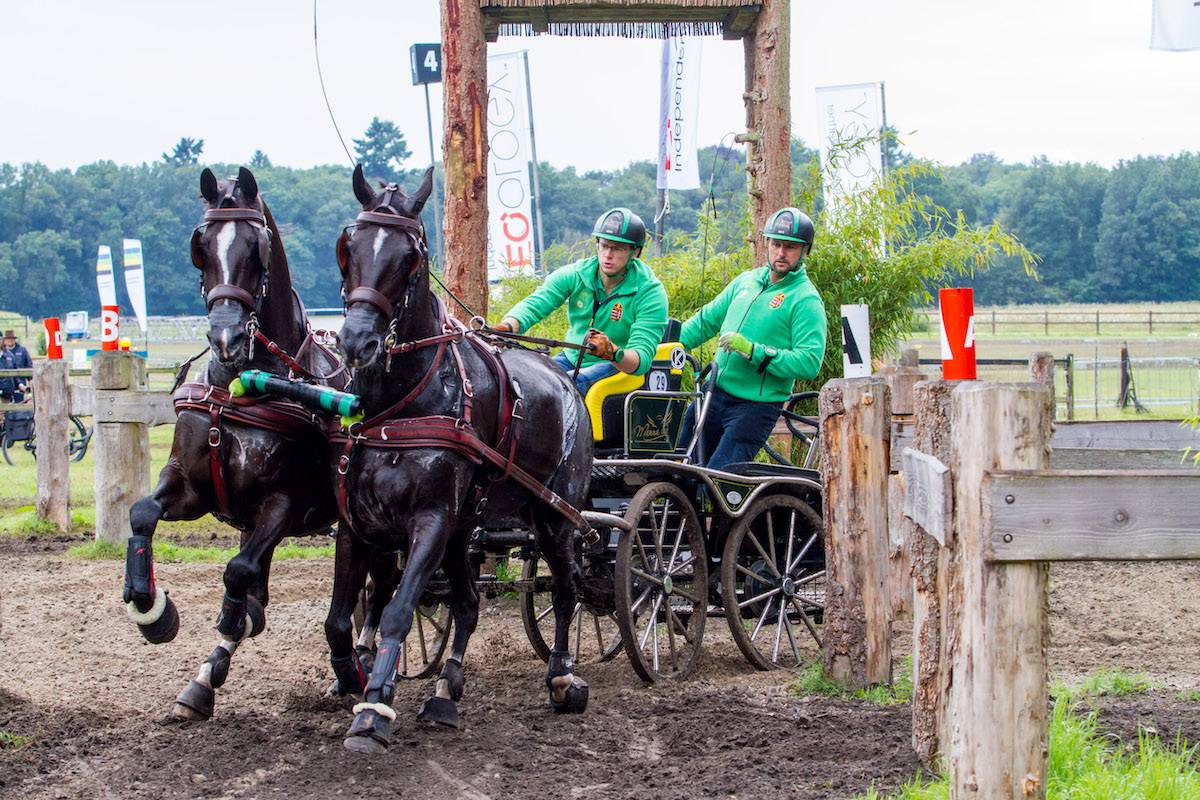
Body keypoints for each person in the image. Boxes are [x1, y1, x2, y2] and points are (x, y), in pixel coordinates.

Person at [678, 208, 827, 471]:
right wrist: (665, 346)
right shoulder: (746, 281)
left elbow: (809, 362)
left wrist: (755, 352)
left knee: (717, 480)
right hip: (714, 393)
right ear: (767, 244)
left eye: (790, 247)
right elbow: (705, 322)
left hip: (755, 408)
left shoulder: (805, 299)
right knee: (679, 466)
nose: (781, 253)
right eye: (776, 244)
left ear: (806, 251)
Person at [494, 208, 669, 395]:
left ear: (635, 252)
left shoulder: (651, 293)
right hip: (571, 359)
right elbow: (537, 303)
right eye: (604, 245)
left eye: (618, 248)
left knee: (559, 389)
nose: (608, 254)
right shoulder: (576, 274)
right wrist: (509, 326)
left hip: (619, 369)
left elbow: (640, 361)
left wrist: (612, 351)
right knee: (523, 382)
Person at [0, 330, 32, 403]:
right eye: (8, 338)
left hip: (11, 389)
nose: (10, 340)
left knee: (14, 410)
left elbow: (27, 367)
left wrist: (22, 385)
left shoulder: (13, 354)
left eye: (12, 338)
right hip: (5, 389)